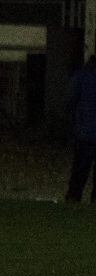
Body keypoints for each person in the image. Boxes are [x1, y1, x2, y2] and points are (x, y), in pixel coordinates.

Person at [65, 55, 96, 203]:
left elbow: (71, 100)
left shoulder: (81, 76)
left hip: (85, 131)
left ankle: (74, 197)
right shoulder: (82, 76)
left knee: (80, 169)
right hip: (87, 130)